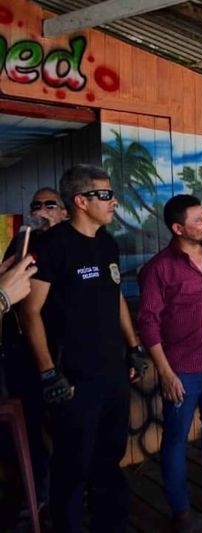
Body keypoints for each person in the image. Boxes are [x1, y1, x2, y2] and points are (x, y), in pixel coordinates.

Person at [19, 164, 149, 532]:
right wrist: (48, 374)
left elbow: (116, 297)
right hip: (73, 378)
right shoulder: (53, 246)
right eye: (105, 195)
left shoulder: (107, 242)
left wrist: (134, 346)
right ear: (81, 201)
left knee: (110, 460)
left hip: (113, 372)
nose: (114, 202)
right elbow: (30, 312)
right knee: (72, 469)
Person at [137, 194, 202, 530]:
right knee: (176, 438)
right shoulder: (159, 269)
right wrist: (165, 373)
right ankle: (179, 508)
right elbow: (148, 323)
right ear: (178, 227)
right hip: (182, 369)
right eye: (198, 220)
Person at [0, 187, 68, 513]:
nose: (41, 210)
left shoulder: (72, 244)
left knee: (66, 424)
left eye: (49, 205)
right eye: (35, 205)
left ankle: (67, 489)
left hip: (64, 349)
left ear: (65, 212)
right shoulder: (22, 243)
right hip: (23, 349)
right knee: (30, 423)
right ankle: (38, 492)